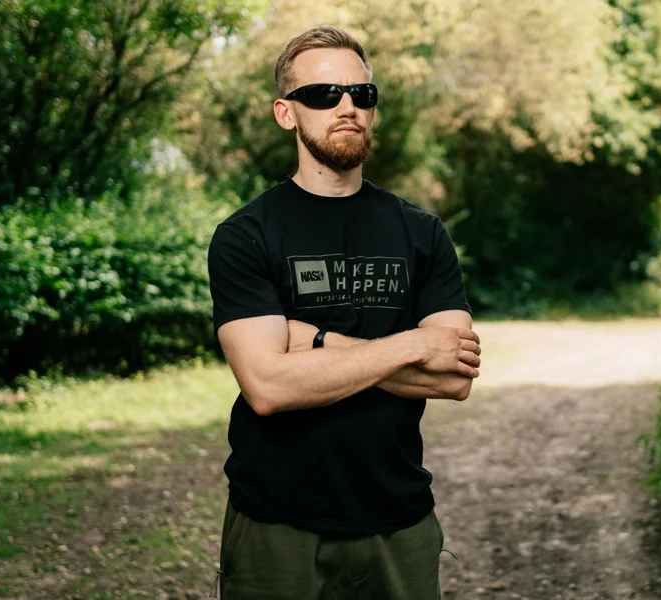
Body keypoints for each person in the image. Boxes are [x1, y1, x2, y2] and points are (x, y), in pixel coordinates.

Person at [206, 25, 482, 600]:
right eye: (323, 94)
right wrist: (411, 345)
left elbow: (452, 377)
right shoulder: (245, 235)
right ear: (286, 113)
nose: (347, 106)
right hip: (275, 524)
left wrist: (314, 341)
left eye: (361, 93)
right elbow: (268, 387)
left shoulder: (422, 233)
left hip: (398, 520)